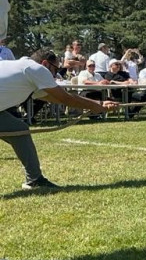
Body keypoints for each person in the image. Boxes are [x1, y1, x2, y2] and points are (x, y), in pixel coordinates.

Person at [1, 49, 117, 190]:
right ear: (45, 63)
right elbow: (65, 98)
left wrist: (99, 104)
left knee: (19, 130)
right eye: (55, 69)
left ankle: (35, 180)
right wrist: (97, 106)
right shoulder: (37, 69)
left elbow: (55, 97)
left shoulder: (24, 69)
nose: (55, 74)